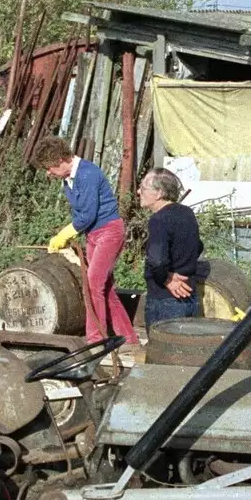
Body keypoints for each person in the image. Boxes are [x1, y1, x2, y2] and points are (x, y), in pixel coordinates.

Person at [31, 137, 138, 346]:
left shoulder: (88, 173)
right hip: (93, 234)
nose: (48, 173)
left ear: (61, 159)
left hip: (109, 231)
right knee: (104, 289)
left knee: (92, 285)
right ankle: (130, 340)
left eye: (49, 168)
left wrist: (66, 233)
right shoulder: (68, 179)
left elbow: (88, 214)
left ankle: (96, 340)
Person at [138, 167, 209, 329]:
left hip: (165, 301)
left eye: (143, 188)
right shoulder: (187, 213)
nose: (138, 191)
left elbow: (157, 260)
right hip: (190, 298)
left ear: (159, 193)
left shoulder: (158, 219)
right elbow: (198, 246)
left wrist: (167, 280)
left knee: (162, 352)